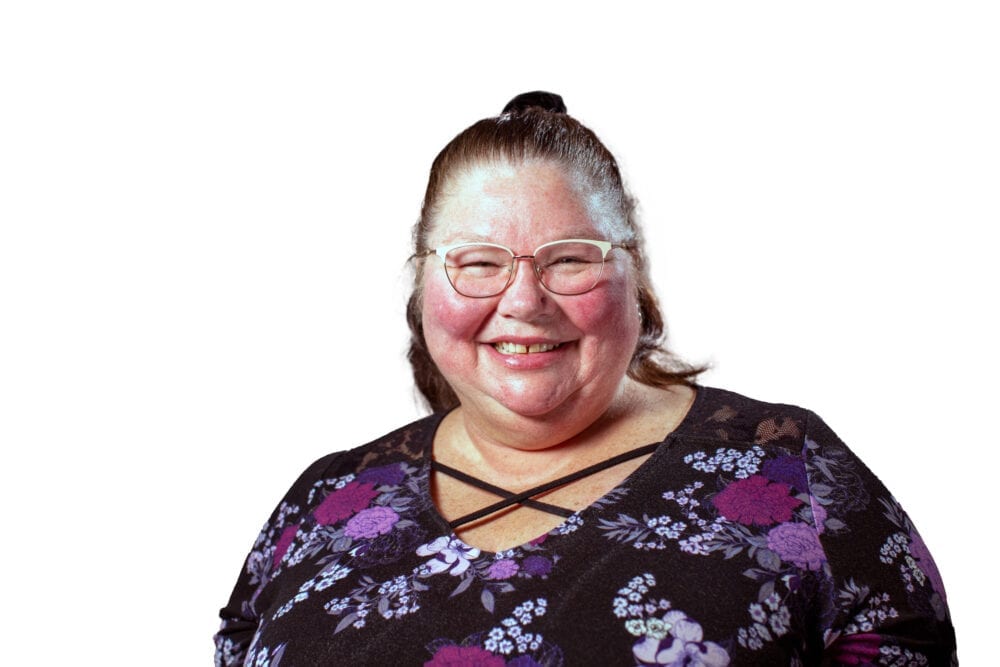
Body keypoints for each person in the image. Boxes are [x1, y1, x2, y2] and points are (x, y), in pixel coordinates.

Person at [215, 92, 956, 666]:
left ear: (635, 275)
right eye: (478, 262)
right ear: (423, 284)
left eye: (569, 259)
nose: (523, 301)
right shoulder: (324, 500)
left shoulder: (794, 472)